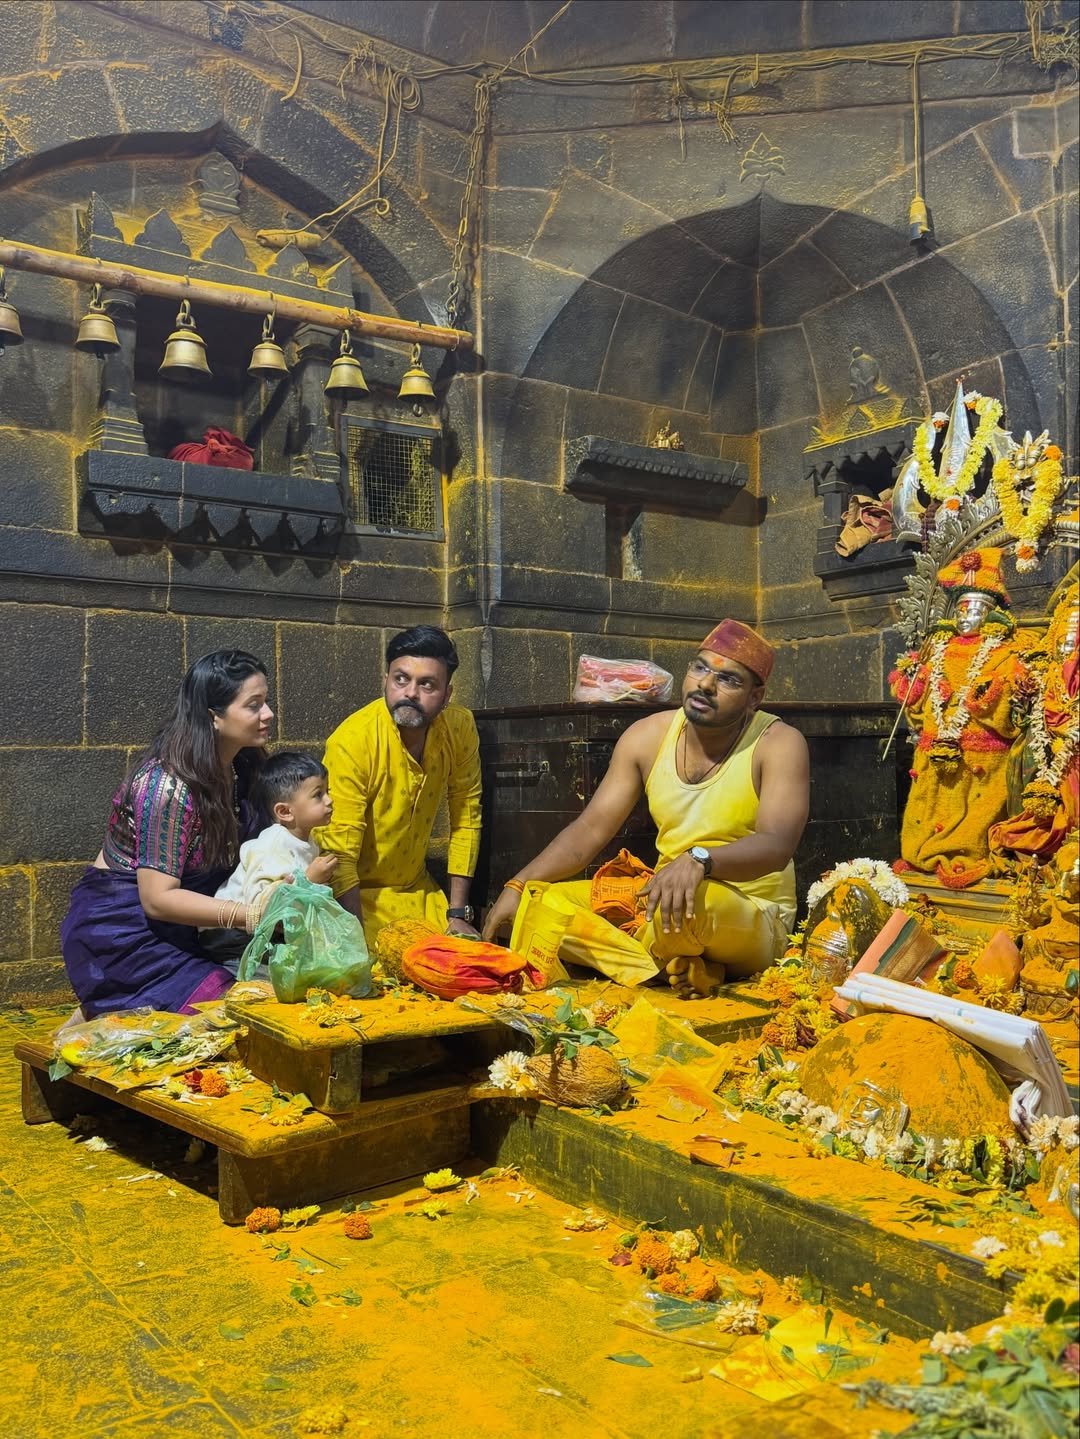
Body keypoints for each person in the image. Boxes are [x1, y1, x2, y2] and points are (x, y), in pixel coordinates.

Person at [482, 620, 809, 998]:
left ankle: (656, 961)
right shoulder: (647, 737)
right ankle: (681, 967)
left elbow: (777, 844)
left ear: (755, 697)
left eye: (729, 679)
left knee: (691, 906)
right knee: (544, 902)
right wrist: (518, 885)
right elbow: (590, 829)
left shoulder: (779, 743)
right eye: (700, 667)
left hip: (749, 911)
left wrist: (699, 860)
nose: (705, 684)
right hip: (663, 901)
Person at [60, 650, 274, 1016]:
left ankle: (95, 1019)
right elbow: (157, 899)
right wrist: (250, 915)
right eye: (253, 705)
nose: (268, 714)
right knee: (229, 1017)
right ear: (214, 716)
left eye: (266, 701)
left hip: (186, 927)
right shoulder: (167, 785)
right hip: (124, 935)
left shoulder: (242, 766)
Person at [315, 625, 482, 947]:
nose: (410, 693)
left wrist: (457, 913)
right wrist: (354, 941)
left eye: (427, 684)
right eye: (400, 679)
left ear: (448, 695)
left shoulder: (459, 727)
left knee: (470, 963)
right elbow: (339, 854)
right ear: (386, 681)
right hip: (353, 898)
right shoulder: (353, 741)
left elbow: (467, 817)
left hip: (418, 892)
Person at [889, 548, 1031, 889]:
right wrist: (913, 683)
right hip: (935, 750)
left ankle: (968, 848)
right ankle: (924, 851)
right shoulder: (935, 648)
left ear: (992, 614)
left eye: (977, 609)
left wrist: (988, 698)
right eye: (963, 608)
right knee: (926, 809)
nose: (967, 616)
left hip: (982, 761)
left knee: (975, 814)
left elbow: (1014, 712)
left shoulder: (1006, 652)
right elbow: (918, 707)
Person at [205, 751, 338, 964]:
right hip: (233, 939)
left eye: (327, 791)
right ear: (285, 811)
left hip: (266, 936)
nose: (329, 800)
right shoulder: (273, 844)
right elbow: (259, 908)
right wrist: (310, 880)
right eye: (318, 795)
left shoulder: (309, 842)